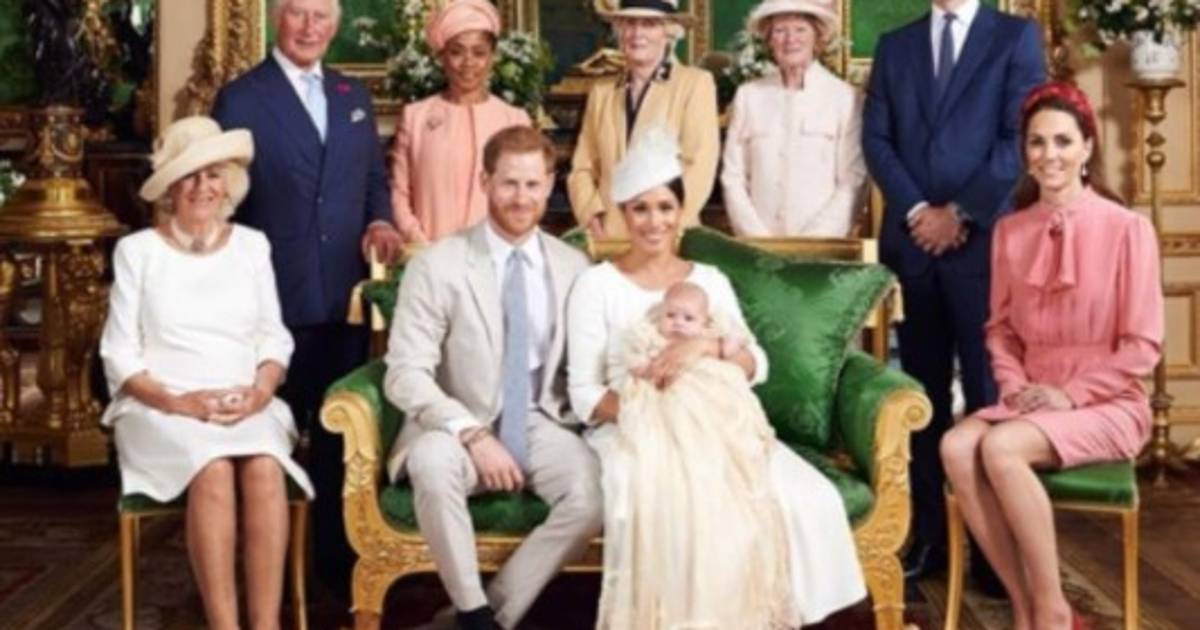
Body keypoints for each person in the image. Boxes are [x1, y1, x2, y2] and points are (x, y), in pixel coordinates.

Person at [567, 127, 865, 628]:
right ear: (622, 212)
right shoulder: (595, 285)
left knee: (803, 497)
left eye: (665, 207)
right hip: (634, 429)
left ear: (681, 211)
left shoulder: (708, 280)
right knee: (674, 505)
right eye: (640, 209)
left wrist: (705, 346)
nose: (654, 222)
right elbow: (583, 393)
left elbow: (757, 364)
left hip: (721, 425)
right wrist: (655, 417)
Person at [941, 81, 1163, 630]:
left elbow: (1143, 346)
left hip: (1107, 401)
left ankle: (1053, 610)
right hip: (1031, 397)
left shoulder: (1129, 229)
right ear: (1025, 152)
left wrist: (1070, 395)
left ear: (1088, 146)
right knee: (955, 445)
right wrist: (1014, 385)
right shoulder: (1010, 231)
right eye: (1037, 142)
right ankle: (1026, 606)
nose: (1049, 155)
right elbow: (1000, 330)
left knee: (1001, 447)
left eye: (1063, 141)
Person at [211, 0, 403, 598]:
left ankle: (336, 570)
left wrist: (381, 221)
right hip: (271, 300)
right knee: (267, 444)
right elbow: (221, 202)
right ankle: (265, 573)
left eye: (322, 16)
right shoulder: (240, 99)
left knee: (340, 440)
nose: (310, 27)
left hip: (342, 296)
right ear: (278, 19)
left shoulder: (351, 96)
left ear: (335, 24)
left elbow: (372, 180)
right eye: (299, 13)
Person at [383, 126, 602, 630]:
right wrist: (472, 433)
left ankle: (481, 620)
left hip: (542, 418)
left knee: (590, 497)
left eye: (532, 184)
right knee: (432, 463)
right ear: (485, 182)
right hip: (456, 419)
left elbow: (589, 363)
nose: (521, 198)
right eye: (509, 183)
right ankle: (473, 610)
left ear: (550, 185)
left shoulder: (574, 266)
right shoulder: (438, 264)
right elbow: (405, 373)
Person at [100, 116, 315, 630]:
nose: (202, 187)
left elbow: (273, 337)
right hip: (159, 407)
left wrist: (262, 391)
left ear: (229, 183)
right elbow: (119, 353)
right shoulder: (137, 252)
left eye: (213, 174)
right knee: (213, 466)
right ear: (170, 187)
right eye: (189, 175)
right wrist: (180, 403)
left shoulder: (252, 246)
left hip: (246, 402)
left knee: (264, 467)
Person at [861, 0, 1046, 582]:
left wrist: (959, 212)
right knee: (921, 398)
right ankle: (930, 539)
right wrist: (919, 211)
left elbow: (1017, 140)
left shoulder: (1015, 38)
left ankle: (994, 552)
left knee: (990, 393)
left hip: (984, 246)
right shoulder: (896, 46)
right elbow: (877, 140)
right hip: (913, 246)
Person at [601, 273, 795, 629]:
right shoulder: (648, 334)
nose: (678, 324)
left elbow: (746, 355)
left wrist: (713, 346)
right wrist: (647, 368)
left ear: (705, 321)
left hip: (711, 397)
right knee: (667, 454)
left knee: (727, 436)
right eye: (671, 316)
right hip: (667, 400)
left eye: (688, 318)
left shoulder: (715, 322)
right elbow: (631, 365)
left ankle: (725, 601)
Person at [567, 0, 720, 239]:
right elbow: (582, 167)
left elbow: (699, 164)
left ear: (668, 32)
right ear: (619, 31)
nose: (637, 33)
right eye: (629, 23)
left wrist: (666, 224)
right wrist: (591, 215)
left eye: (649, 24)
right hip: (609, 236)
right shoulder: (601, 92)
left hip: (668, 236)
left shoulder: (695, 84)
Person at [390, 0, 532, 244]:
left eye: (479, 53)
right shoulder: (415, 117)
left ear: (493, 57)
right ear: (441, 56)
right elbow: (399, 193)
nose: (468, 62)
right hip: (429, 254)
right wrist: (421, 243)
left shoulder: (514, 120)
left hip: (496, 255)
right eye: (457, 52)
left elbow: (526, 196)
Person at [721, 0, 867, 237]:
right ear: (769, 39)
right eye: (780, 30)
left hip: (823, 245)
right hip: (756, 245)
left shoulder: (843, 97)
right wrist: (757, 239)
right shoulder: (749, 96)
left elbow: (853, 179)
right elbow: (733, 176)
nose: (791, 39)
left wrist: (814, 243)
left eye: (800, 29)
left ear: (817, 37)